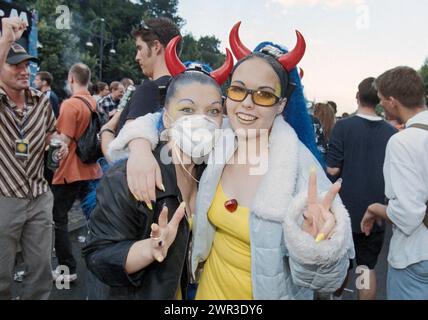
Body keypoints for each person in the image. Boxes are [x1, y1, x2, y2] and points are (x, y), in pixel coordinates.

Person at [109, 22, 354, 300]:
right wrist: (140, 148)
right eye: (238, 90)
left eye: (263, 94)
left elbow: (331, 282)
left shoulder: (302, 170)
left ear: (281, 105)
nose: (248, 103)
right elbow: (162, 118)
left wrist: (318, 247)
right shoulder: (220, 135)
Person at [82, 37, 233, 299]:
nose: (202, 120)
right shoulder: (128, 177)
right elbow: (98, 256)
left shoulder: (214, 174)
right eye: (187, 109)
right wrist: (149, 250)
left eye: (213, 111)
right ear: (166, 117)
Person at [0, 17, 67, 300]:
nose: (24, 70)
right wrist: (5, 37)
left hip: (40, 196)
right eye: (15, 64)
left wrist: (59, 143)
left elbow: (52, 132)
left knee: (40, 273)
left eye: (26, 64)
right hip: (5, 199)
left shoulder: (41, 101)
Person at [327, 77, 397, 300]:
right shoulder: (391, 133)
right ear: (378, 101)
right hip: (375, 212)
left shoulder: (343, 127)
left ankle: (336, 298)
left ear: (357, 97)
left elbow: (332, 170)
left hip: (344, 214)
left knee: (341, 267)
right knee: (365, 269)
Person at [361, 66, 428, 300]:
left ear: (392, 101)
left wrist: (375, 209)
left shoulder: (403, 142)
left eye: (382, 101)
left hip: (417, 256)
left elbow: (409, 215)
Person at [100, 17, 181, 163]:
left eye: (139, 48)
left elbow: (122, 158)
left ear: (156, 46)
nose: (137, 57)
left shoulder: (148, 89)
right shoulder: (183, 91)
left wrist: (107, 129)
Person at [51, 63, 103, 283]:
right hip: (91, 169)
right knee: (95, 215)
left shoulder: (70, 105)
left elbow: (62, 141)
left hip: (69, 171)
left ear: (72, 78)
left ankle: (67, 269)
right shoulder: (92, 102)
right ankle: (102, 257)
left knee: (59, 220)